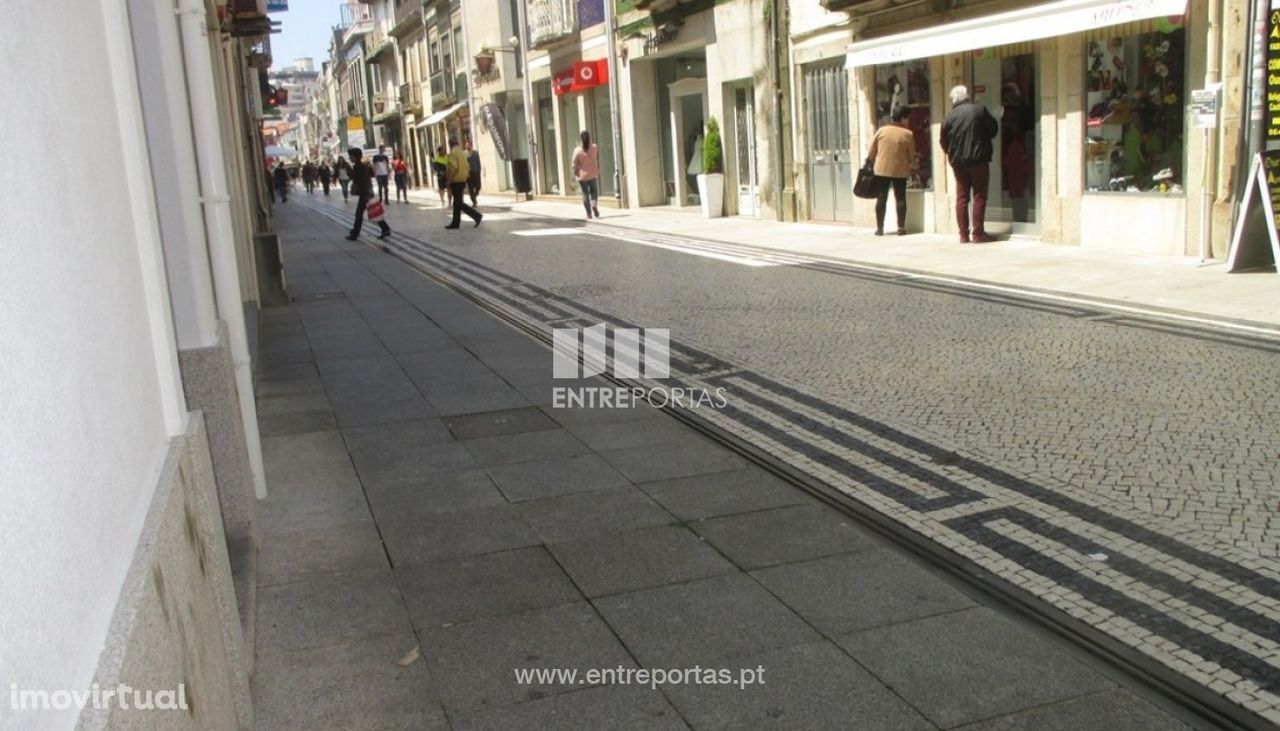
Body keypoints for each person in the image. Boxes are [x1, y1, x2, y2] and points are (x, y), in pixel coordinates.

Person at [940, 84, 999, 243]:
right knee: (979, 195)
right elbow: (993, 129)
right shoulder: (979, 110)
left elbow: (943, 141)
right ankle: (978, 234)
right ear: (966, 96)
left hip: (958, 162)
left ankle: (963, 235)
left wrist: (951, 155)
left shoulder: (949, 116)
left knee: (962, 197)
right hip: (978, 159)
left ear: (954, 100)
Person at [866, 105, 918, 236]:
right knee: (900, 197)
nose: (908, 121)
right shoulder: (908, 134)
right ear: (902, 118)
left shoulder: (881, 131)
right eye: (907, 118)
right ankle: (901, 227)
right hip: (900, 169)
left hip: (881, 169)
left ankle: (880, 228)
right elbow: (912, 155)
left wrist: (872, 160)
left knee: (881, 197)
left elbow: (871, 150)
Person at [345, 148, 391, 241]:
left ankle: (355, 233)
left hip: (365, 193)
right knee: (373, 211)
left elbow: (363, 181)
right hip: (367, 192)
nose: (349, 158)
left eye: (351, 156)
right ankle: (385, 228)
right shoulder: (360, 166)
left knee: (360, 214)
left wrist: (366, 193)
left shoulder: (359, 167)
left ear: (355, 157)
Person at [444, 138, 483, 229]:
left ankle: (476, 216)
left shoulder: (453, 154)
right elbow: (467, 166)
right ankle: (455, 222)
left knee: (458, 203)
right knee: (457, 203)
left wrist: (449, 179)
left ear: (450, 144)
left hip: (456, 180)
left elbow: (452, 167)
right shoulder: (462, 153)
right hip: (462, 180)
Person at [571, 130, 601, 220]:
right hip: (592, 173)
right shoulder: (595, 147)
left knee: (585, 194)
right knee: (594, 191)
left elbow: (573, 163)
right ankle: (594, 204)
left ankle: (589, 214)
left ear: (581, 139)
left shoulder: (577, 150)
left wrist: (575, 171)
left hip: (582, 175)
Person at [465, 141, 482, 207]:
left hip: (476, 171)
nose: (468, 146)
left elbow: (478, 162)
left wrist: (479, 170)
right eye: (466, 145)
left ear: (471, 145)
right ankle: (474, 201)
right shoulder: (464, 153)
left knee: (478, 186)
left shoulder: (475, 153)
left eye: (469, 145)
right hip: (468, 173)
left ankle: (474, 195)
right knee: (471, 188)